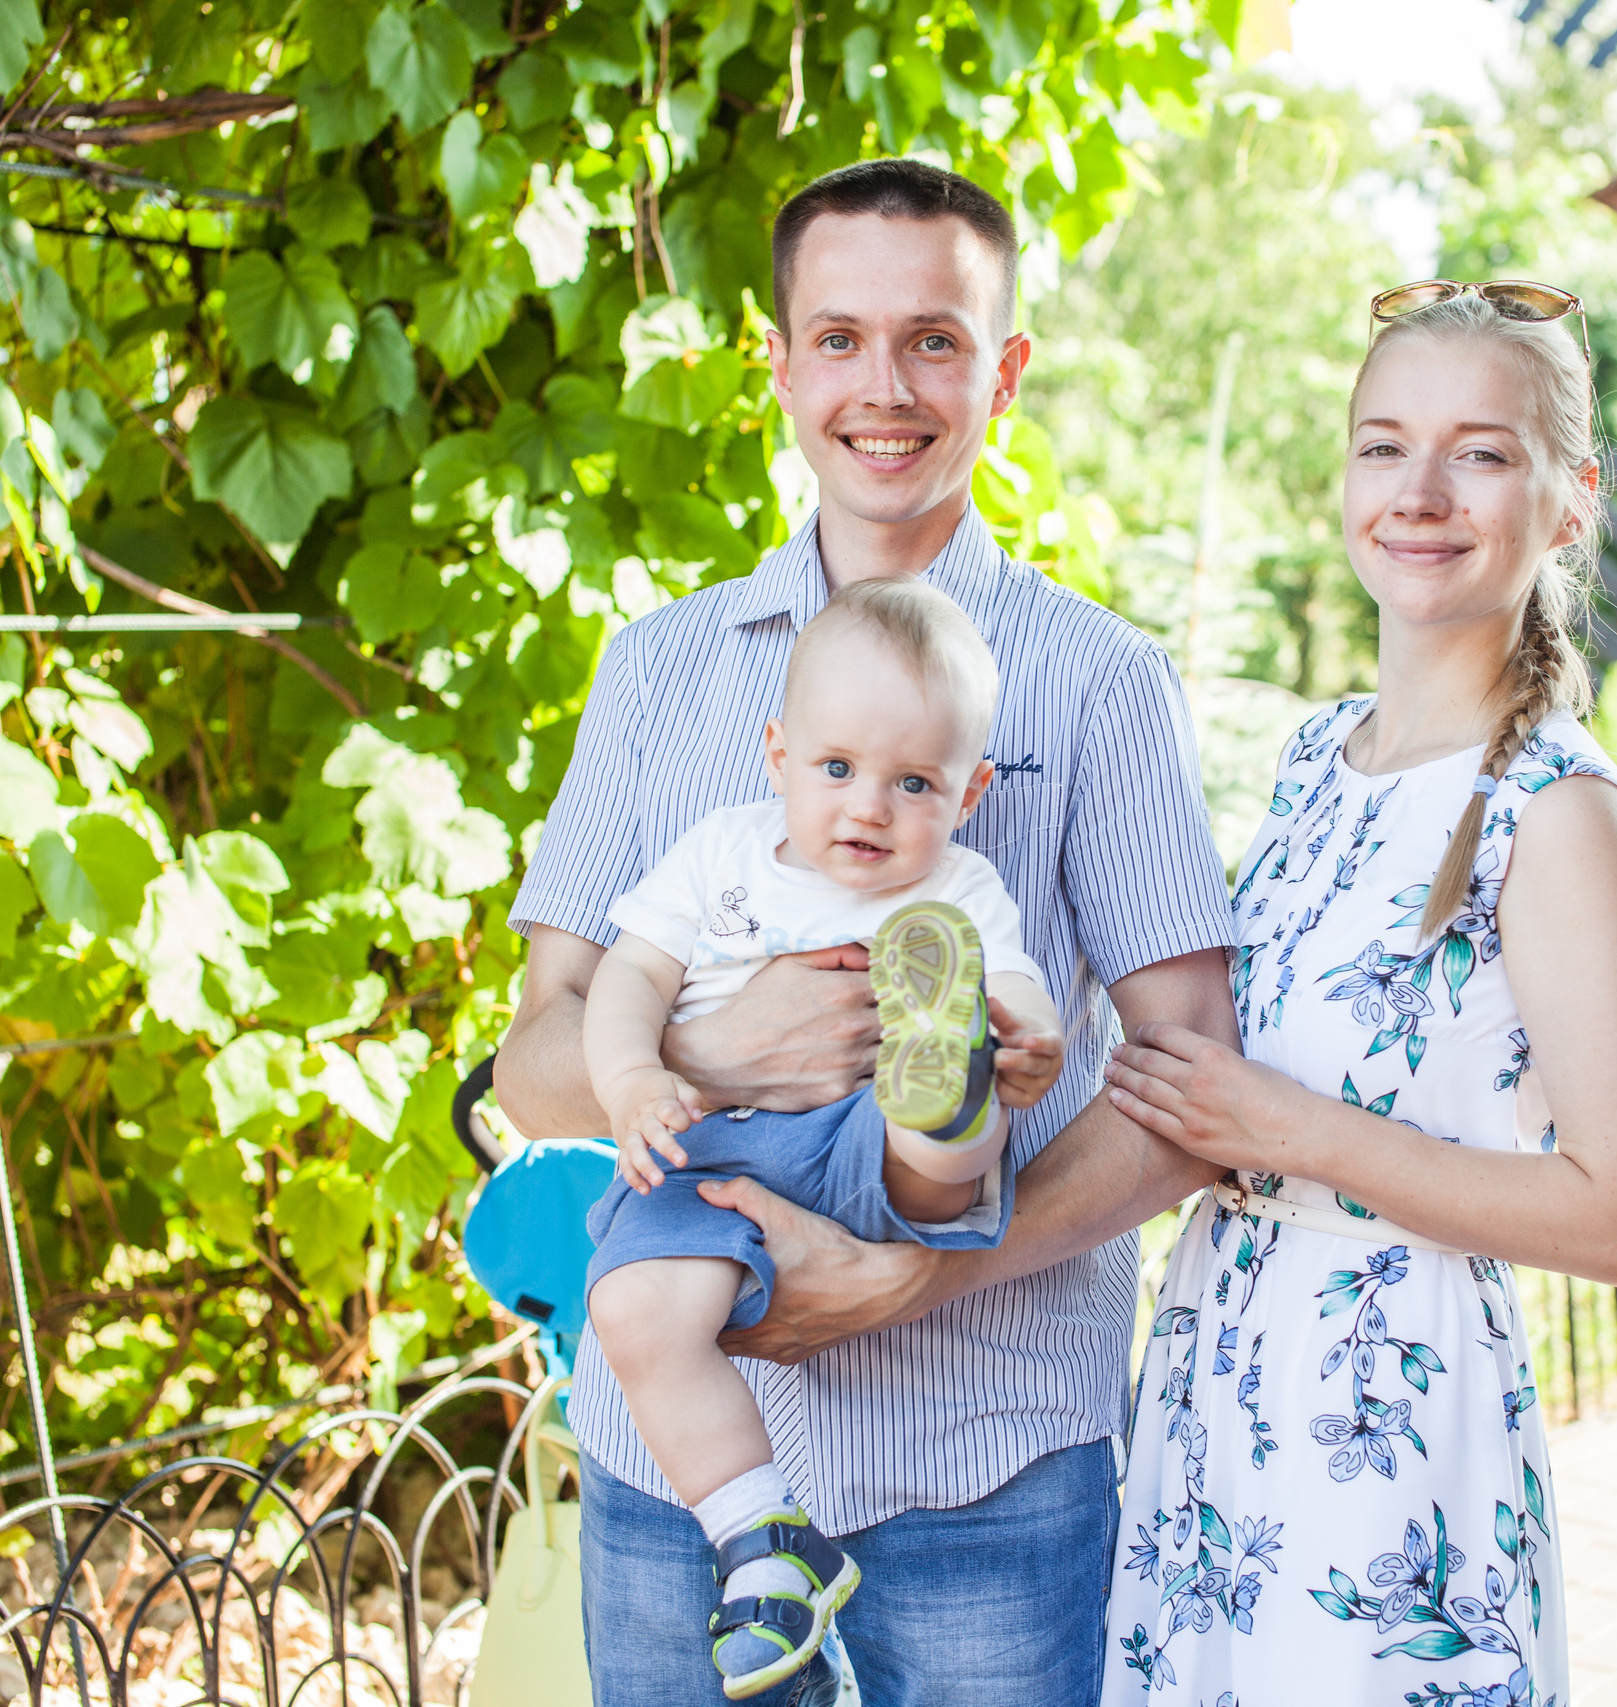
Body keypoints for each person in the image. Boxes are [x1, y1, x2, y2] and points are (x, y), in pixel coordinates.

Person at [497, 157, 1240, 1707]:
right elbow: (534, 1052)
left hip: (988, 1465)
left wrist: (924, 1277)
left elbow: (1194, 1086)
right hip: (675, 1482)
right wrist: (707, 1048)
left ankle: (934, 1140)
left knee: (952, 1072)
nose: (883, 388)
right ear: (776, 362)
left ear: (1004, 372)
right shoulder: (659, 671)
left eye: (935, 340)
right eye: (837, 338)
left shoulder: (1097, 681)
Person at [1095, 284, 1617, 1706]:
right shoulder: (1316, 756)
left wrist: (1296, 1131)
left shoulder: (1556, 805)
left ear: (1568, 499)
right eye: (1384, 446)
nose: (1421, 492)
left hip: (1390, 1439)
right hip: (1217, 1402)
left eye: (1481, 452)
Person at [580, 579, 1065, 1698]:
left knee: (935, 1136)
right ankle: (762, 1536)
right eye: (836, 770)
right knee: (632, 1307)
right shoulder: (719, 857)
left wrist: (1025, 1042)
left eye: (914, 784)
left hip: (857, 1140)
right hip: (717, 1153)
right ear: (776, 753)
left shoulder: (961, 891)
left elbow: (1029, 997)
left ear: (971, 792)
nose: (869, 809)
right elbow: (628, 979)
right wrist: (634, 1077)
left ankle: (944, 1094)